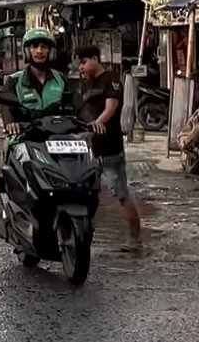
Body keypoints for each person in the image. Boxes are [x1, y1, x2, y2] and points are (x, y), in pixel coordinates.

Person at [76, 45, 141, 251]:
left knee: (121, 193)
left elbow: (111, 107)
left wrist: (97, 124)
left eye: (84, 62)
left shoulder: (110, 80)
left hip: (110, 148)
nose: (81, 67)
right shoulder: (86, 84)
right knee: (86, 194)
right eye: (79, 64)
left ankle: (135, 239)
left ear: (95, 59)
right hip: (90, 149)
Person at [0, 30, 71, 160]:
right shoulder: (14, 80)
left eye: (44, 47)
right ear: (27, 51)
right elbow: (6, 104)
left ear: (50, 51)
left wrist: (90, 122)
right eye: (35, 46)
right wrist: (10, 122)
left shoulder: (61, 79)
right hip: (26, 136)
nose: (39, 51)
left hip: (58, 136)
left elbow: (76, 104)